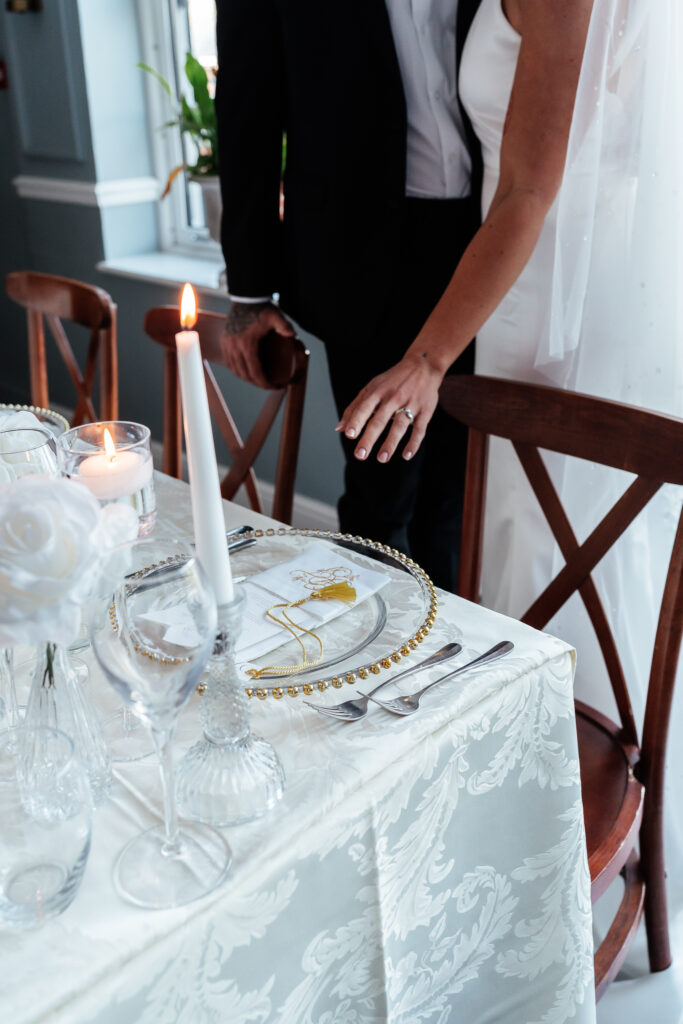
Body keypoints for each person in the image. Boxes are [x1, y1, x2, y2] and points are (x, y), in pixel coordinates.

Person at [339, 0, 683, 979]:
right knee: (529, 574)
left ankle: (579, 866)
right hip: (523, 300)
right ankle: (531, 843)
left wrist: (425, 359)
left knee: (567, 572)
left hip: (562, 304)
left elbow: (529, 191)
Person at [214, 0, 483, 591]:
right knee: (381, 491)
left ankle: (455, 667)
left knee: (463, 497)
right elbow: (246, 112)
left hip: (485, 245)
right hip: (359, 256)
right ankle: (378, 663)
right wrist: (250, 294)